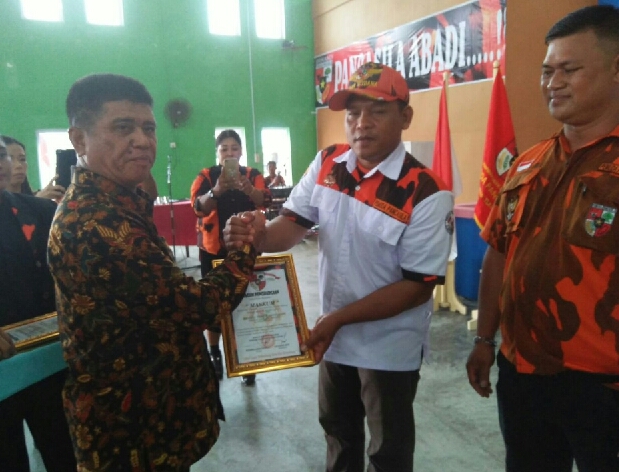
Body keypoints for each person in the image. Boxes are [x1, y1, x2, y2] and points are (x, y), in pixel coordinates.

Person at [225, 62, 454, 471]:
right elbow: (291, 225)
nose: (362, 123)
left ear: (405, 117)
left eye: (377, 111)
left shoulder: (425, 192)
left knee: (388, 450)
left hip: (388, 347)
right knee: (338, 432)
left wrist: (337, 320)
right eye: (353, 113)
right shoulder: (329, 164)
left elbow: (418, 287)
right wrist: (256, 235)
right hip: (333, 337)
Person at [47, 73, 258, 472]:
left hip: (154, 416)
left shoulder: (117, 205)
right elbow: (198, 307)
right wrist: (245, 250)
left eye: (148, 128)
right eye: (122, 128)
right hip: (132, 433)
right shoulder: (98, 223)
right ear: (79, 140)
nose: (142, 141)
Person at [465, 6, 619, 472]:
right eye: (547, 71)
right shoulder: (527, 164)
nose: (554, 83)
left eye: (569, 69)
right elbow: (498, 254)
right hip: (523, 374)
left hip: (604, 388)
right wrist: (485, 338)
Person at [0, 136, 76, 472]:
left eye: (2, 155)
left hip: (47, 359)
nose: (2, 164)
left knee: (64, 452)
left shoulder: (41, 211)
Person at [190, 129, 271, 386]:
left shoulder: (252, 175)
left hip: (246, 251)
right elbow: (198, 208)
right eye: (224, 149)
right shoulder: (207, 176)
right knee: (213, 306)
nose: (229, 153)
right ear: (217, 153)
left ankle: (246, 359)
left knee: (247, 306)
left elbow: (265, 200)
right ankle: (215, 354)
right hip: (214, 251)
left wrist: (249, 189)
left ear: (241, 151)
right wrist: (217, 190)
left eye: (234, 148)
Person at [2, 135, 66, 201]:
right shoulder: (38, 198)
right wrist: (37, 201)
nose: (19, 165)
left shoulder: (41, 196)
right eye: (10, 160)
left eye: (22, 159)